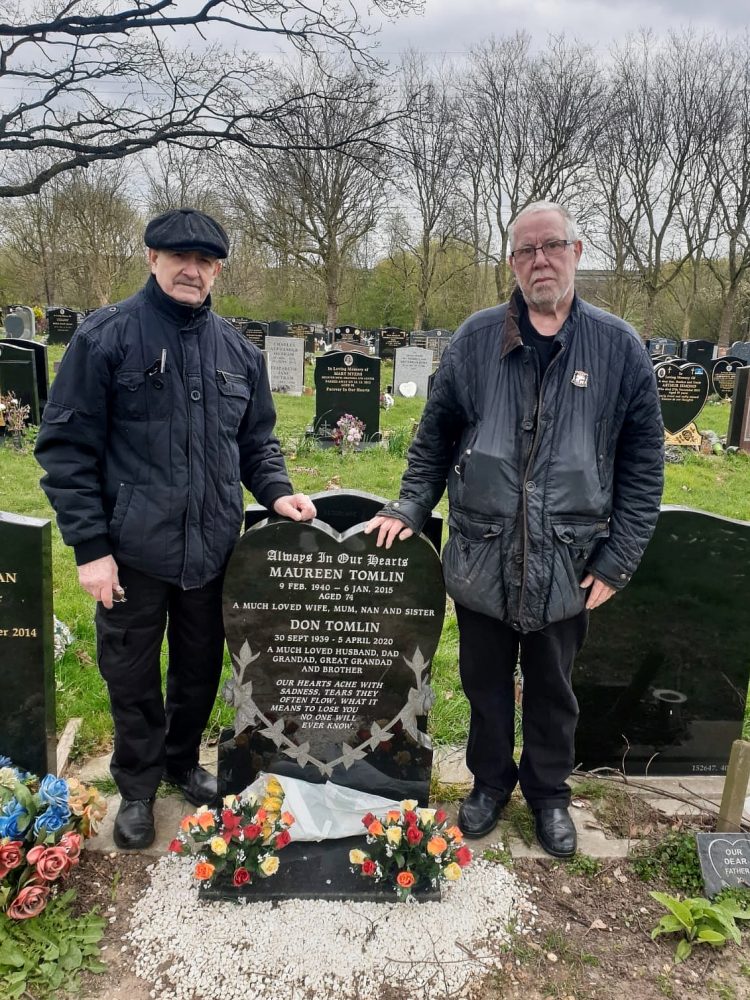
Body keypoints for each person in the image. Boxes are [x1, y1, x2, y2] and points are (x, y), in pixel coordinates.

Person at [365, 201, 664, 858]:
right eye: (526, 251)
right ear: (511, 262)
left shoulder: (617, 349)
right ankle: (490, 785)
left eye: (551, 246)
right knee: (486, 685)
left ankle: (550, 795)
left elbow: (645, 464)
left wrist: (618, 561)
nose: (540, 261)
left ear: (577, 252)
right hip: (482, 553)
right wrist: (408, 508)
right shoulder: (475, 341)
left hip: (569, 560)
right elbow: (433, 441)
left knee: (555, 690)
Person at [36, 208, 316, 850]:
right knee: (130, 673)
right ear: (152, 258)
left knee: (197, 670)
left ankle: (183, 762)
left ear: (217, 269)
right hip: (130, 552)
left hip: (213, 549)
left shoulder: (238, 353)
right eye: (179, 257)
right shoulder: (106, 338)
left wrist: (278, 494)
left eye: (206, 261)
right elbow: (65, 449)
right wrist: (91, 549)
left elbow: (257, 443)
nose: (193, 271)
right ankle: (136, 787)